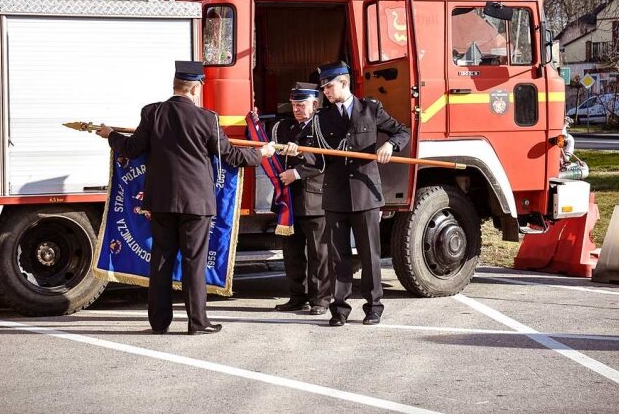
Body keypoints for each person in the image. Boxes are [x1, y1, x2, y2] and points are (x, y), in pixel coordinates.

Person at [97, 60, 275, 336]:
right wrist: (261, 154)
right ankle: (197, 322)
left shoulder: (152, 113)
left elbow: (131, 149)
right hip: (196, 204)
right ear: (195, 88)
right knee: (193, 262)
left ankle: (159, 322)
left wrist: (111, 135)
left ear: (176, 86)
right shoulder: (207, 119)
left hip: (161, 202)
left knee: (160, 261)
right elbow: (231, 156)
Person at [312, 61, 409, 327]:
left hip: (366, 192)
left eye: (329, 86)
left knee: (370, 255)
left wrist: (390, 144)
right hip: (336, 194)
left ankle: (374, 306)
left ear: (343, 83)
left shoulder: (370, 108)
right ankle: (340, 309)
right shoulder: (321, 118)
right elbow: (314, 154)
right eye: (323, 88)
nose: (326, 92)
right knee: (338, 256)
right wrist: (294, 150)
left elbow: (403, 131)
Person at [272, 82, 331, 315]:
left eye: (302, 104)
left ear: (314, 104)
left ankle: (321, 300)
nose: (297, 109)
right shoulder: (285, 127)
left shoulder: (323, 125)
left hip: (314, 199)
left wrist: (295, 172)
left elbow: (324, 158)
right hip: (288, 202)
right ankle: (298, 297)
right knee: (292, 255)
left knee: (318, 254)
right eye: (294, 104)